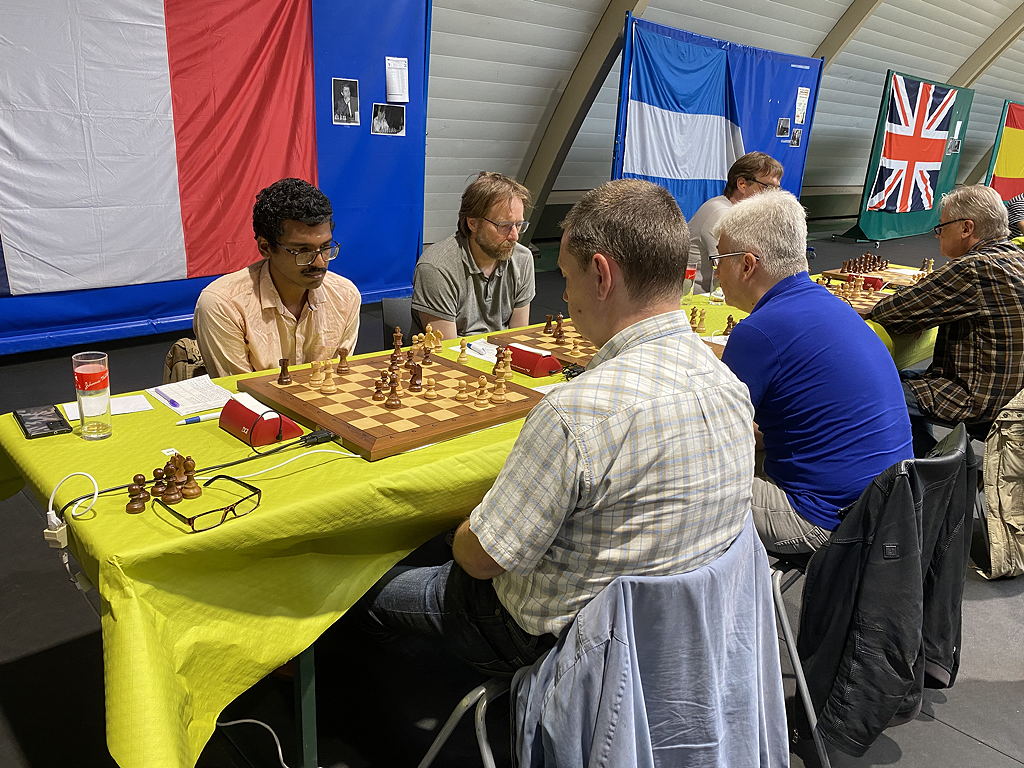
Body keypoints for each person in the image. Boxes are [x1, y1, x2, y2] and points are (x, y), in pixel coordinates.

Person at [360, 178, 756, 674]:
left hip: (551, 639)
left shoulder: (576, 414)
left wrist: (458, 529)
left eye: (566, 277)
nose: (564, 293)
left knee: (360, 588)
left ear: (602, 275)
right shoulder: (728, 383)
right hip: (673, 634)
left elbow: (481, 560)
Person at [715, 189, 912, 554]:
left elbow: (714, 439)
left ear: (747, 264)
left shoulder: (760, 331)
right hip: (888, 504)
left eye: (719, 259)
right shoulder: (831, 304)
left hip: (821, 519)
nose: (715, 270)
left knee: (684, 475)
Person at [869, 184, 1024, 454]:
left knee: (874, 391)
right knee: (901, 377)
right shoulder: (1017, 257)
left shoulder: (973, 267)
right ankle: (931, 459)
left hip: (979, 397)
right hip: (1013, 393)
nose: (938, 234)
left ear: (966, 228)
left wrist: (916, 318)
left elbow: (890, 312)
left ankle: (934, 472)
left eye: (941, 226)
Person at [194, 178, 360, 377]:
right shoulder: (223, 304)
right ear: (265, 247)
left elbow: (336, 380)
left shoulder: (345, 295)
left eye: (325, 248)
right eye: (302, 251)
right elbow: (242, 394)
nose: (319, 263)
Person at [411, 172, 535, 338]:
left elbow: (519, 338)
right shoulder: (437, 268)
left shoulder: (522, 259)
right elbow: (447, 352)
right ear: (473, 223)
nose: (515, 236)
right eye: (504, 226)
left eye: (519, 225)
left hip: (501, 357)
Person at [688, 152, 784, 292]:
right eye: (768, 187)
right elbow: (734, 272)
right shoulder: (720, 213)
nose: (774, 195)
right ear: (742, 184)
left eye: (777, 189)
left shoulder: (744, 214)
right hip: (698, 299)